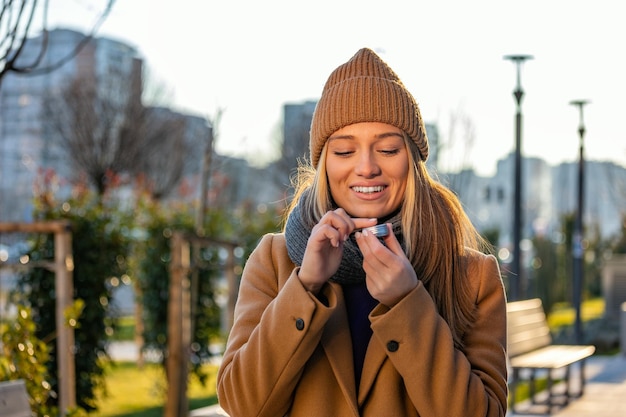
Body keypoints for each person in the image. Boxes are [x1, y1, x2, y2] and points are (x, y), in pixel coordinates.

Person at [217, 48, 508, 417]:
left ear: (413, 161)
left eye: (387, 148)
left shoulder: (473, 277)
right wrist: (305, 285)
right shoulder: (273, 261)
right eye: (344, 151)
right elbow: (242, 404)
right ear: (324, 165)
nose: (366, 167)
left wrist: (407, 302)